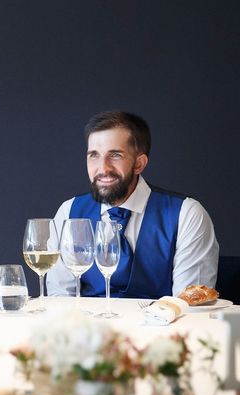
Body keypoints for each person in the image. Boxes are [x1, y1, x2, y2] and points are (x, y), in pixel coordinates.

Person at [46, 110, 218, 299]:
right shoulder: (69, 212)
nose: (102, 168)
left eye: (115, 155)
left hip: (160, 327)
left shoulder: (187, 214)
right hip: (90, 327)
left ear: (139, 164)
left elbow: (188, 305)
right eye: (94, 155)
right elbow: (60, 298)